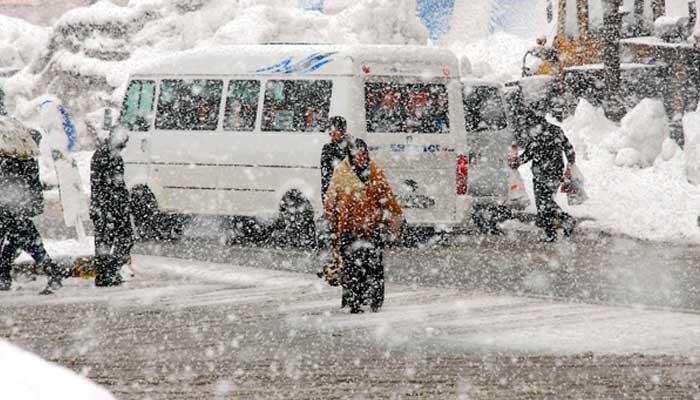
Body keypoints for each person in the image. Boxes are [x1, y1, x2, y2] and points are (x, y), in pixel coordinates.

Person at [324, 139, 403, 313]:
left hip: (370, 228)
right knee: (352, 267)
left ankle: (374, 300)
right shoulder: (341, 172)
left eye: (364, 154)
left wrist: (396, 219)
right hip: (348, 228)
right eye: (358, 155)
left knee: (373, 266)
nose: (362, 158)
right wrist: (331, 225)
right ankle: (353, 302)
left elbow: (387, 196)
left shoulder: (375, 171)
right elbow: (331, 201)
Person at [0, 121, 63, 294]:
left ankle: (54, 273)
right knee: (14, 244)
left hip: (11, 209)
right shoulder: (26, 160)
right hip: (15, 209)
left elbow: (13, 185)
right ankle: (3, 277)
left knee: (32, 246)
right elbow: (32, 186)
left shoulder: (12, 162)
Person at [511, 110, 576, 242]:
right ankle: (551, 232)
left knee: (544, 202)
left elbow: (529, 153)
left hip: (542, 173)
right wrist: (570, 162)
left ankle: (564, 220)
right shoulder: (556, 130)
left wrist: (516, 163)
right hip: (556, 172)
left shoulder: (538, 135)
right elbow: (568, 147)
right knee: (546, 202)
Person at [90, 129, 133, 287]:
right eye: (124, 142)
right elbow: (108, 185)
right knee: (110, 241)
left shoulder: (110, 155)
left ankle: (108, 273)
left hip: (110, 206)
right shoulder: (105, 156)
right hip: (108, 206)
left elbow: (116, 184)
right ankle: (106, 274)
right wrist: (114, 204)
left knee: (115, 240)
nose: (124, 146)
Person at [320, 116, 349, 203]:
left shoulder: (351, 147)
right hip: (333, 194)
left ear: (342, 131)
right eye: (330, 129)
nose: (332, 133)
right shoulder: (327, 148)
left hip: (348, 194)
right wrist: (326, 198)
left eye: (335, 130)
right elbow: (325, 177)